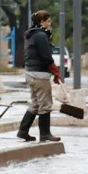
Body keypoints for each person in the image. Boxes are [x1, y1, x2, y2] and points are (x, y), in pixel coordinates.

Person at [17, 10, 62, 143]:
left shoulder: (31, 34)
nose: (49, 23)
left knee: (36, 104)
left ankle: (23, 131)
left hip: (31, 73)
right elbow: (46, 56)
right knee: (45, 104)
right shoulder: (41, 35)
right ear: (42, 22)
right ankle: (45, 134)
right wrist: (55, 70)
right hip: (40, 75)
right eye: (48, 21)